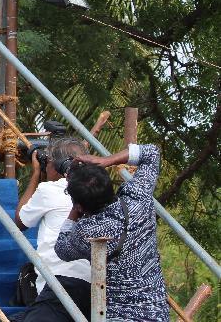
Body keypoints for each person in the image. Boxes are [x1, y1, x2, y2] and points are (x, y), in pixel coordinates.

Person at [55, 144, 169, 322]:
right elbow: (152, 152)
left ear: (80, 205)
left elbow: (61, 249)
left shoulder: (86, 232)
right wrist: (107, 160)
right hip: (156, 312)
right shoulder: (138, 200)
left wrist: (74, 211)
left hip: (117, 317)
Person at [14, 137, 91, 321]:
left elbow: (20, 221)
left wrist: (35, 175)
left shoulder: (49, 190)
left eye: (47, 162)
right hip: (93, 285)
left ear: (59, 166)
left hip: (59, 284)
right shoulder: (96, 190)